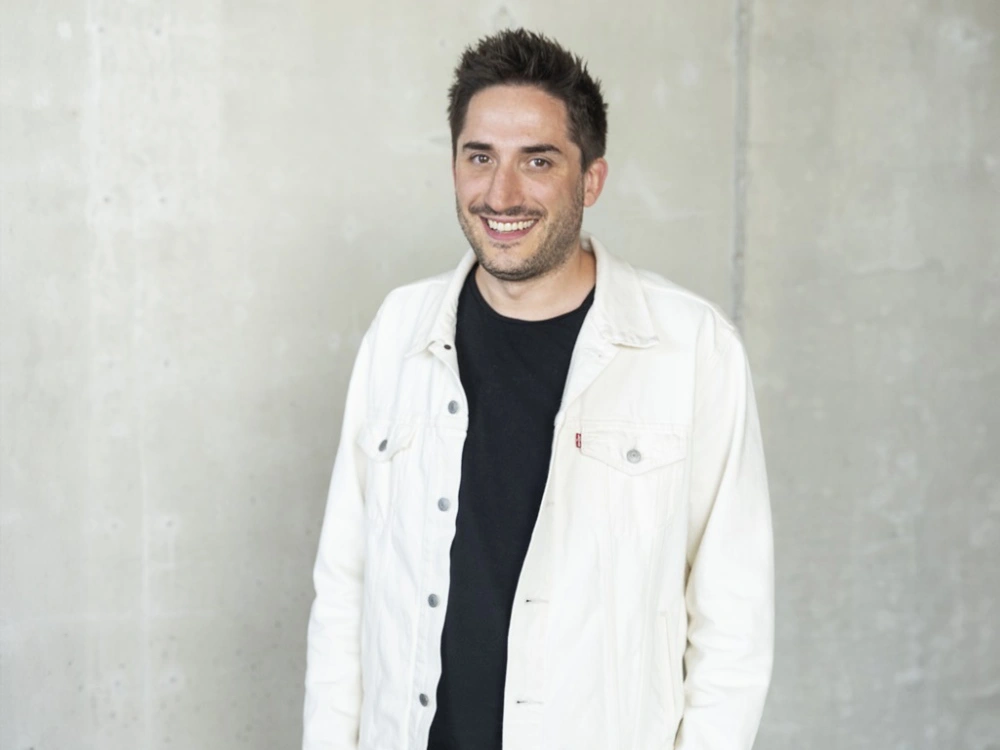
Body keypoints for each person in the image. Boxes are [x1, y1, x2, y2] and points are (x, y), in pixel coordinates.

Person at [303, 28, 773, 750]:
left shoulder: (690, 350)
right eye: (480, 157)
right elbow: (345, 588)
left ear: (591, 179)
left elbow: (732, 624)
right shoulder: (400, 332)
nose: (502, 193)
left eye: (538, 161)